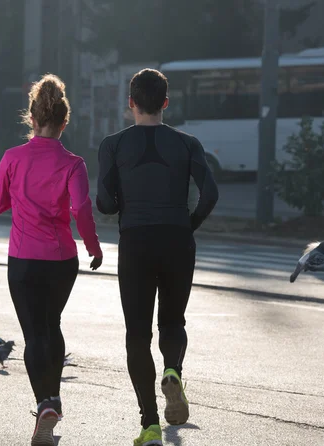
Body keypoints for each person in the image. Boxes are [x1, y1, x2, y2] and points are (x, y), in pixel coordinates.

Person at [96, 68, 219, 445]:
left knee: (137, 333)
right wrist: (188, 225)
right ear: (166, 103)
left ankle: (149, 424)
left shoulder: (113, 145)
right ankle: (173, 371)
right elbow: (210, 193)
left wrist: (121, 202)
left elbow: (103, 203)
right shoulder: (187, 143)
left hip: (136, 241)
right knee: (172, 320)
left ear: (130, 103)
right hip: (177, 239)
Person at [0, 73, 103, 446]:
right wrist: (93, 246)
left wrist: (15, 199)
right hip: (61, 259)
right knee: (51, 324)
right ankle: (52, 402)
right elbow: (81, 208)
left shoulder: (12, 158)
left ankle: (44, 405)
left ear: (32, 120)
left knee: (32, 334)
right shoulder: (74, 163)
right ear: (64, 122)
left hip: (22, 260)